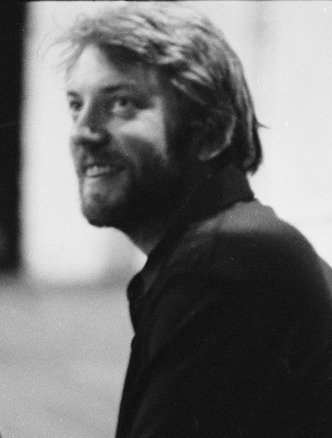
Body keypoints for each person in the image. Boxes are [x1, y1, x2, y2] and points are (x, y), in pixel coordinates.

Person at [59, 3, 332, 437]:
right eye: (76, 105)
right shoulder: (237, 243)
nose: (82, 130)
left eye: (121, 103)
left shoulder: (225, 260)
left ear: (210, 133)